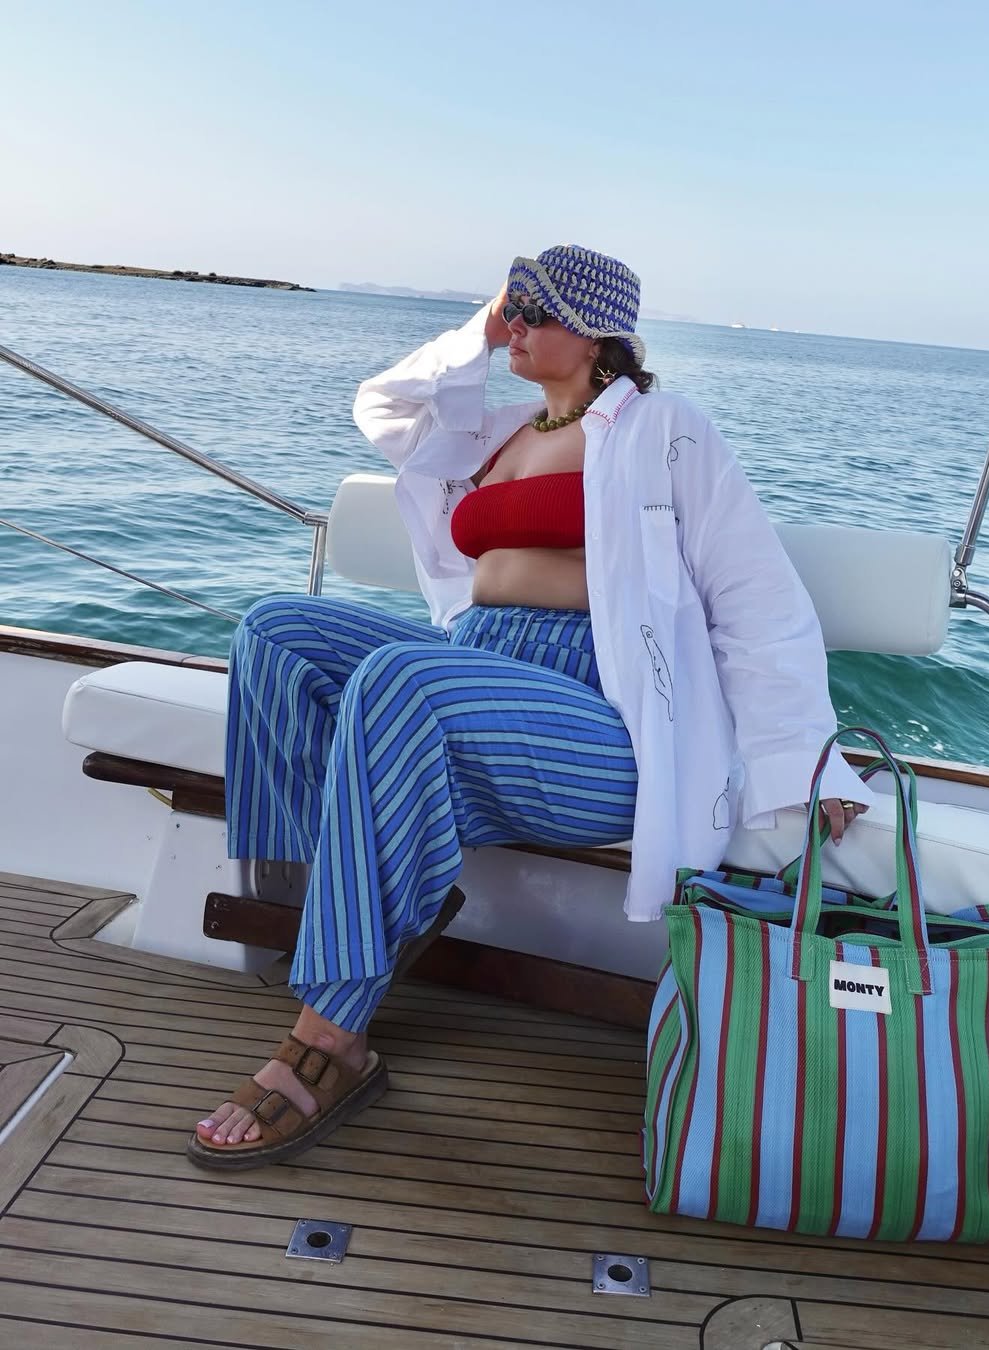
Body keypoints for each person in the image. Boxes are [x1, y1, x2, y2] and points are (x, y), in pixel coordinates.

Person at [188, 244, 872, 1170]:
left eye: (534, 310)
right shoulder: (498, 430)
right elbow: (383, 403)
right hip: (476, 667)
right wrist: (487, 319)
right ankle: (341, 907)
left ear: (595, 334)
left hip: (602, 710)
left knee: (395, 677)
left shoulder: (664, 428)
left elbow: (754, 592)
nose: (515, 325)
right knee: (274, 629)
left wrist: (805, 756)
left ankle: (333, 1037)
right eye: (512, 307)